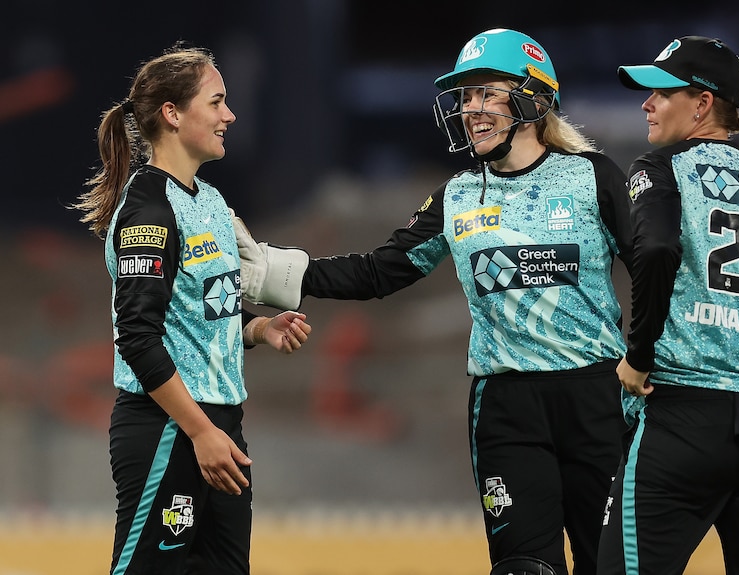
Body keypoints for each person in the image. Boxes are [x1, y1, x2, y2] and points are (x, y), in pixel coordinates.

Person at [233, 28, 633, 575]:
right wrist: (278, 274)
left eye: (487, 92)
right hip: (505, 408)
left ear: (533, 98)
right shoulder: (457, 195)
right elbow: (380, 270)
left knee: (611, 566)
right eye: (466, 96)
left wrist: (659, 363)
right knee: (523, 570)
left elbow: (655, 272)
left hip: (598, 398)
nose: (471, 109)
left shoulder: (595, 177)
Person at [71, 43, 312, 575]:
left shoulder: (209, 201)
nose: (230, 115)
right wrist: (200, 431)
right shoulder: (147, 211)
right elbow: (137, 336)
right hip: (170, 428)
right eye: (217, 102)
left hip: (222, 424)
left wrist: (257, 328)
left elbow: (199, 311)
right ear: (173, 114)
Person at [596, 36, 739, 574]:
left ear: (702, 104)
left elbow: (655, 248)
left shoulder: (658, 169)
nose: (646, 103)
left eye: (661, 91)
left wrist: (639, 355)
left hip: (686, 417)